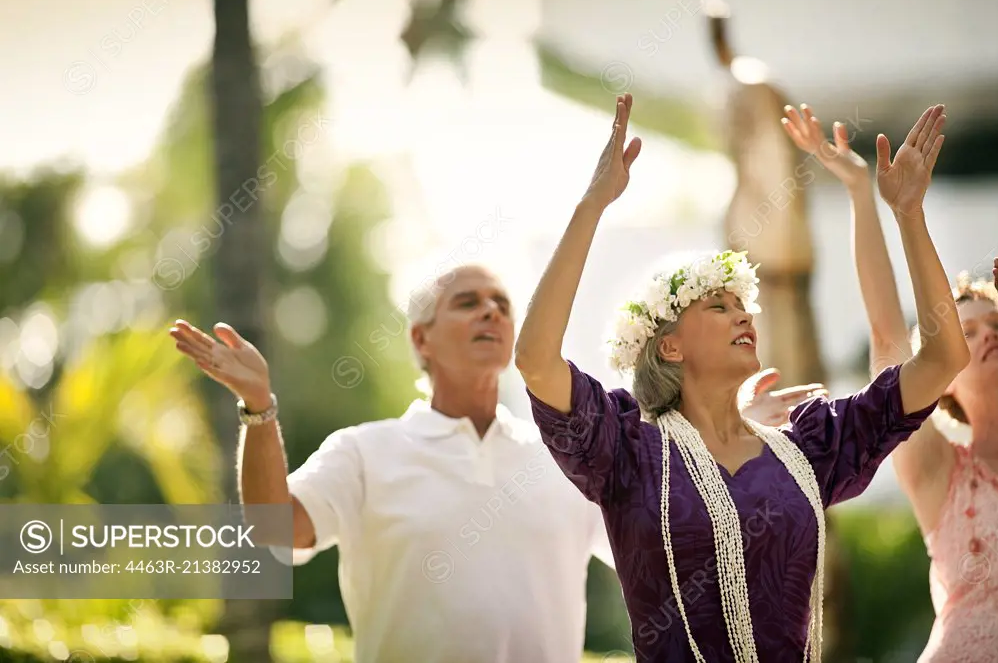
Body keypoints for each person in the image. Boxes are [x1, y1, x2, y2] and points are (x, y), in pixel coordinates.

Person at [514, 93, 968, 662]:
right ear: (669, 344)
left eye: (743, 305)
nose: (744, 316)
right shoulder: (625, 448)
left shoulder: (809, 449)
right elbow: (534, 358)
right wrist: (592, 205)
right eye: (718, 307)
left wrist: (907, 214)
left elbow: (944, 358)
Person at [169, 262, 809, 663]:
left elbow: (680, 535)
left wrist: (736, 434)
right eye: (468, 301)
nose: (492, 312)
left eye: (502, 302)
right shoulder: (365, 451)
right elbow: (274, 532)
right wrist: (260, 408)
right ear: (421, 338)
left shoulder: (574, 460)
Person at [783, 102, 998, 662]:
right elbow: (888, 333)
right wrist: (870, 197)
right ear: (944, 383)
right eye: (965, 332)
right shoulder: (939, 468)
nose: (987, 335)